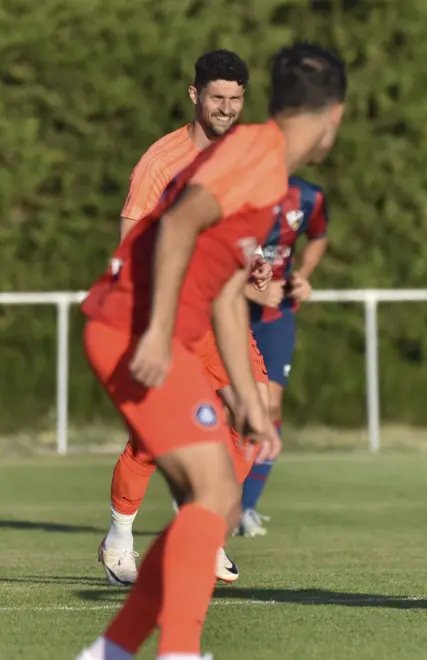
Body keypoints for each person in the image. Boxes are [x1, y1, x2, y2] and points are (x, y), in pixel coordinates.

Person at [75, 41, 348, 660]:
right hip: (136, 324)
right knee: (214, 494)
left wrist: (246, 394)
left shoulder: (261, 162)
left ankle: (115, 651)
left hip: (166, 322)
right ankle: (177, 650)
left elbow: (225, 288)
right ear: (334, 116)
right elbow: (172, 227)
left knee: (224, 485)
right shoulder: (255, 157)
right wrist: (155, 330)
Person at [98, 49, 271, 586]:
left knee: (255, 413)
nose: (227, 108)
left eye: (236, 99)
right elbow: (130, 241)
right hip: (166, 317)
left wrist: (255, 261)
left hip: (219, 315)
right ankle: (118, 538)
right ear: (195, 96)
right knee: (155, 439)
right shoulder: (160, 162)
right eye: (217, 97)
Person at [237, 175, 329, 537]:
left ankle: (246, 508)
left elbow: (318, 237)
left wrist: (302, 277)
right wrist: (250, 291)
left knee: (271, 407)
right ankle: (208, 494)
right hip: (228, 311)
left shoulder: (308, 196)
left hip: (275, 317)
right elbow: (202, 257)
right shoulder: (233, 190)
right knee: (232, 407)